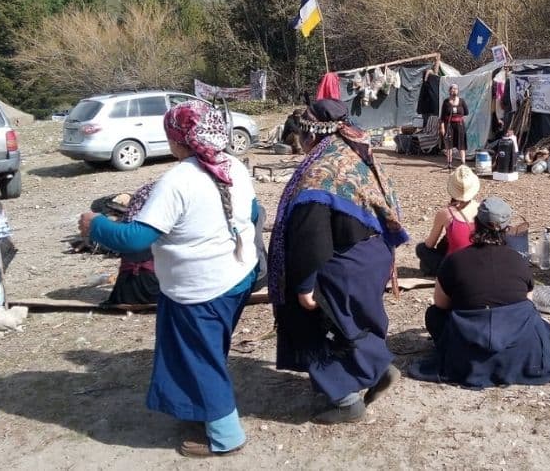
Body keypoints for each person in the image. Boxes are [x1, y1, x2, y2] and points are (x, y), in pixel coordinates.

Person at [78, 100, 260, 457]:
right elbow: (252, 211)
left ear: (178, 140)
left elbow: (135, 239)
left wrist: (95, 224)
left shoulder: (178, 181)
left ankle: (225, 435)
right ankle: (199, 408)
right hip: (238, 276)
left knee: (200, 359)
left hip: (201, 289)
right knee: (208, 351)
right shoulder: (233, 164)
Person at [269, 99, 409, 425]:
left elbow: (311, 235)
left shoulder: (319, 173)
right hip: (374, 255)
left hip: (345, 262)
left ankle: (346, 401)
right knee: (352, 321)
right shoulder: (355, 152)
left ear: (309, 135)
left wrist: (304, 285)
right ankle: (376, 368)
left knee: (311, 323)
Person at [410, 197, 550, 387]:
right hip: (516, 341)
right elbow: (527, 302)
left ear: (476, 223)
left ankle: (471, 356)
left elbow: (441, 305)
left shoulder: (454, 260)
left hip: (469, 340)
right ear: (506, 228)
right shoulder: (518, 261)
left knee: (434, 315)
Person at [415, 165, 480, 276]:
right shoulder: (482, 209)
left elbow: (430, 244)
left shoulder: (446, 213)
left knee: (421, 248)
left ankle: (430, 269)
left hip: (454, 267)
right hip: (477, 262)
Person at [440, 83, 469, 169]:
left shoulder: (462, 101)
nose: (454, 90)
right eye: (452, 88)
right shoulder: (446, 102)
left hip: (460, 125)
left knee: (461, 144)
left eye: (456, 88)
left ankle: (463, 163)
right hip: (449, 125)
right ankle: (449, 163)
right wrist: (442, 127)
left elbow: (466, 112)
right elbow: (442, 117)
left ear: (458, 91)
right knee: (449, 144)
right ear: (449, 91)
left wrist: (458, 116)